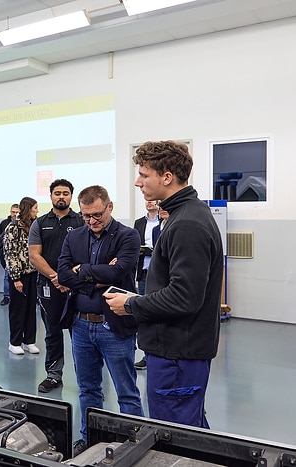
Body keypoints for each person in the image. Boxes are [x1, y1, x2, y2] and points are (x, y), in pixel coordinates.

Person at [106, 140, 223, 430]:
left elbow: (185, 297)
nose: (137, 182)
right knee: (189, 427)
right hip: (175, 352)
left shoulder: (187, 224)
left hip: (177, 356)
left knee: (174, 437)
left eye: (144, 175)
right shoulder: (183, 215)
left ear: (167, 177)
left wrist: (132, 304)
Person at [57, 185, 143, 455]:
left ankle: (134, 441)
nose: (92, 222)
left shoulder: (128, 236)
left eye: (97, 215)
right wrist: (98, 276)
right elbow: (63, 275)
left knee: (126, 391)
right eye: (86, 216)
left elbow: (119, 272)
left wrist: (81, 270)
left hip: (114, 326)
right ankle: (90, 437)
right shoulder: (74, 237)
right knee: (88, 390)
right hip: (81, 326)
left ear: (110, 207)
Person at [28, 179, 84, 392]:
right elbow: (34, 255)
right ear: (50, 196)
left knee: (79, 332)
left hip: (77, 286)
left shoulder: (81, 221)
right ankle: (53, 375)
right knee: (52, 332)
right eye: (57, 193)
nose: (61, 196)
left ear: (72, 196)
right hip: (48, 286)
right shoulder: (40, 223)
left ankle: (84, 377)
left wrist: (69, 278)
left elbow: (88, 253)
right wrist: (56, 277)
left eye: (66, 193)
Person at [1, 197, 40, 355]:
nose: (37, 211)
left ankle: (29, 341)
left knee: (31, 309)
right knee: (18, 310)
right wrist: (16, 278)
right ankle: (14, 341)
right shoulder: (13, 227)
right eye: (35, 208)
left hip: (33, 274)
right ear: (28, 209)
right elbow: (10, 254)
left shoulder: (35, 226)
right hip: (19, 275)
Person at [131, 200, 160, 370]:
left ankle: (156, 352)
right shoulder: (139, 223)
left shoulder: (163, 222)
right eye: (146, 201)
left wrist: (152, 250)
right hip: (143, 272)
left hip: (159, 273)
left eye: (152, 201)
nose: (149, 203)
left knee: (157, 312)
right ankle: (146, 354)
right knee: (143, 313)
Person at [0, 204, 20, 306]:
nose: (15, 214)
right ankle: (7, 297)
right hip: (7, 255)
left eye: (17, 212)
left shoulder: (22, 223)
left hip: (21, 255)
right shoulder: (5, 223)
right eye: (13, 212)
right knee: (7, 275)